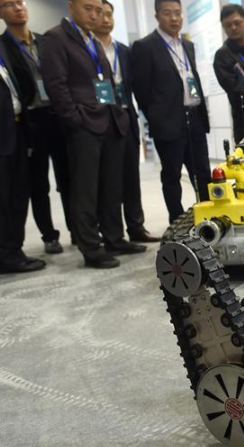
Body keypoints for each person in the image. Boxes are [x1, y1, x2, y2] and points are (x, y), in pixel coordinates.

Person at [40, 0, 145, 269]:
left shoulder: (92, 40)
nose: (95, 15)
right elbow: (56, 85)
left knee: (111, 187)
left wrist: (116, 114)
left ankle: (114, 238)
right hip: (84, 124)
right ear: (71, 6)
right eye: (88, 8)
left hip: (110, 120)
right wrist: (74, 118)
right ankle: (90, 247)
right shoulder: (56, 38)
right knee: (85, 190)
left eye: (99, 10)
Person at [0, 0, 71, 254]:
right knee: (38, 183)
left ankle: (78, 230)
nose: (17, 8)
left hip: (58, 116)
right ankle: (49, 235)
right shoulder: (3, 47)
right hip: (30, 120)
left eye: (20, 2)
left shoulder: (45, 41)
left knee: (68, 178)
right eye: (8, 4)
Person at [131, 0, 211, 224]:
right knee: (172, 175)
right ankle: (176, 221)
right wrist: (156, 117)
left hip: (194, 118)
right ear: (157, 16)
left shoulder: (188, 45)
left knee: (203, 173)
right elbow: (141, 89)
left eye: (178, 13)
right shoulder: (145, 46)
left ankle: (208, 218)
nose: (174, 18)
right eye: (168, 13)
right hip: (168, 123)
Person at [95, 0, 158, 243]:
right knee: (109, 181)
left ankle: (136, 227)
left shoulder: (124, 51)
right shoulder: (88, 48)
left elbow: (137, 85)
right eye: (101, 14)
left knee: (131, 177)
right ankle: (112, 233)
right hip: (101, 120)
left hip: (126, 117)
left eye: (109, 14)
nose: (106, 19)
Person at [0, 35, 45, 273]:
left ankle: (14, 250)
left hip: (15, 132)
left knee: (17, 196)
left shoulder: (2, 55)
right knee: (4, 200)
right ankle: (6, 256)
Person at [213, 4, 244, 143]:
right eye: (228, 25)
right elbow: (235, 89)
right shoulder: (222, 56)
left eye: (237, 23)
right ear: (224, 28)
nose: (233, 28)